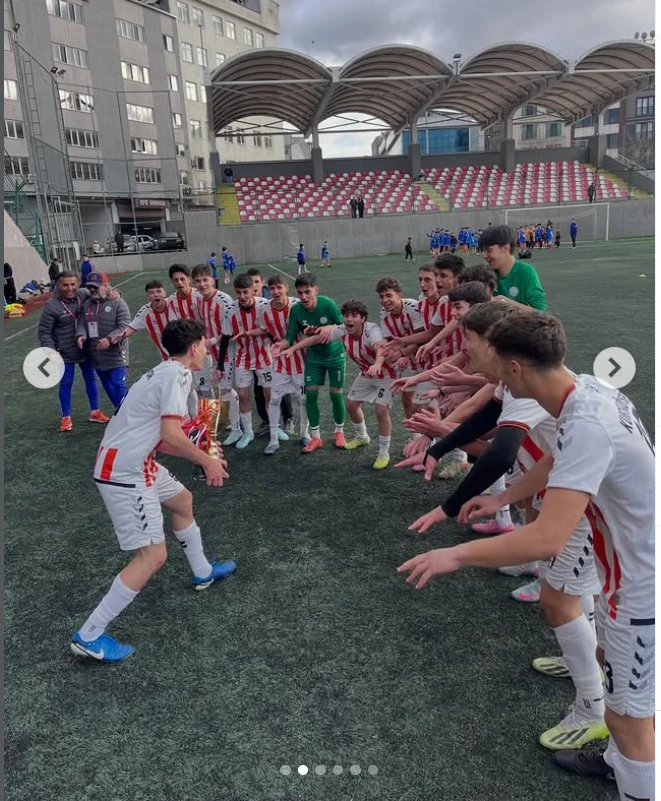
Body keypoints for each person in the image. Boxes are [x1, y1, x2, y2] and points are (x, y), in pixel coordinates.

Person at [398, 311, 654, 801]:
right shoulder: (585, 393)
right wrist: (504, 496)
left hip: (641, 585)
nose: (481, 368)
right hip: (625, 571)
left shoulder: (587, 421)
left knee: (630, 718)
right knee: (611, 669)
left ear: (514, 368)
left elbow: (547, 538)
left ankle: (633, 771)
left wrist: (457, 554)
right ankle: (619, 760)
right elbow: (559, 458)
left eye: (490, 361)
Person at [70, 319, 237, 664]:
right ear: (194, 347)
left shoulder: (162, 372)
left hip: (131, 462)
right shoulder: (177, 376)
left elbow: (161, 438)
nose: (207, 350)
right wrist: (206, 461)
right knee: (152, 556)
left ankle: (202, 571)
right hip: (125, 471)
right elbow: (171, 435)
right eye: (204, 344)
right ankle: (90, 634)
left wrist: (202, 453)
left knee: (182, 501)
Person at [283, 300, 394, 469]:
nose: (349, 319)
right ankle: (362, 436)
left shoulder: (372, 331)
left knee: (381, 411)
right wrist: (293, 348)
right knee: (351, 405)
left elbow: (380, 348)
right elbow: (317, 339)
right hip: (366, 373)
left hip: (386, 373)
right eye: (346, 315)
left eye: (354, 315)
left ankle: (383, 453)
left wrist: (378, 364)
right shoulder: (343, 330)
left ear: (363, 318)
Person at [271, 273, 346, 453]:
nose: (304, 297)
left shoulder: (328, 304)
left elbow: (345, 327)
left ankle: (339, 432)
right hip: (313, 357)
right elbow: (290, 336)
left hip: (335, 356)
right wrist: (281, 345)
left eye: (307, 292)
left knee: (336, 394)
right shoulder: (296, 310)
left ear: (316, 290)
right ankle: (316, 437)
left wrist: (329, 328)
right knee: (310, 396)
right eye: (300, 293)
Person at [37, 271, 109, 431]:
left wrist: (114, 293)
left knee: (91, 378)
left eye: (72, 284)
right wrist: (51, 352)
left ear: (77, 284)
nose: (70, 288)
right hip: (64, 353)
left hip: (85, 348)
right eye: (65, 285)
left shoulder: (83, 294)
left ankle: (95, 411)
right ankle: (66, 417)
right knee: (66, 382)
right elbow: (44, 332)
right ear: (58, 285)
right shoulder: (51, 306)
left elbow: (101, 291)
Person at [216, 273, 272, 450]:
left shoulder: (264, 305)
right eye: (238, 292)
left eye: (245, 292)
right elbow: (225, 337)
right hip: (242, 357)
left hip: (265, 357)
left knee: (269, 394)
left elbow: (272, 329)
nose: (242, 296)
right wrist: (220, 365)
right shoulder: (231, 310)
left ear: (253, 290)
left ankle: (274, 428)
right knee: (243, 395)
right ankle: (248, 432)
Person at [258, 274, 310, 453]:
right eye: (272, 288)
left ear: (287, 288)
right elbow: (265, 329)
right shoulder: (264, 309)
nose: (276, 291)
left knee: (304, 399)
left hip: (301, 361)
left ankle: (304, 433)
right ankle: (273, 439)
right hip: (279, 363)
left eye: (279, 287)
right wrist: (274, 341)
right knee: (274, 399)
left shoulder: (297, 305)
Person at [190, 263, 241, 443]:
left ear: (213, 280)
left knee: (225, 389)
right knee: (222, 388)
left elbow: (232, 330)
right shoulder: (200, 300)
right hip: (214, 352)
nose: (202, 284)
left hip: (228, 351)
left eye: (205, 280)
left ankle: (237, 429)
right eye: (198, 281)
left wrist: (211, 341)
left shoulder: (224, 300)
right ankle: (231, 422)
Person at [76, 272, 131, 408]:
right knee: (109, 388)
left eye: (96, 286)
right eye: (90, 287)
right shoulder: (87, 304)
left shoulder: (117, 302)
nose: (92, 289)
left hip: (117, 355)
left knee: (117, 384)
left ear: (106, 286)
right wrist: (81, 335)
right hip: (97, 356)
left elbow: (125, 325)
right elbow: (82, 323)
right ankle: (121, 412)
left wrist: (109, 339)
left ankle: (131, 412)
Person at [480, 225, 547, 310]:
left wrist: (506, 304)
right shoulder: (484, 273)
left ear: (506, 248)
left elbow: (541, 312)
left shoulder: (526, 272)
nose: (484, 255)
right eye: (483, 251)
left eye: (489, 250)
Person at [117, 281, 174, 361]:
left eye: (158, 291)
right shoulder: (145, 312)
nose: (156, 295)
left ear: (164, 293)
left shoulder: (174, 303)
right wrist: (118, 336)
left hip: (187, 354)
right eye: (151, 293)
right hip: (168, 359)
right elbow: (131, 327)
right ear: (147, 297)